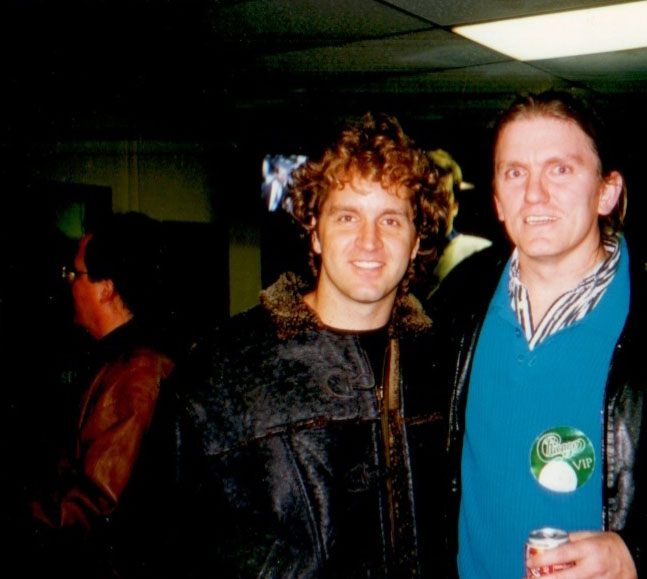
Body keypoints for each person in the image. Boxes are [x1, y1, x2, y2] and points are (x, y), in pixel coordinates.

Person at [430, 91, 647, 578]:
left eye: (560, 169)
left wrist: (639, 556)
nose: (534, 194)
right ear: (496, 199)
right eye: (515, 173)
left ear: (607, 192)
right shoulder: (457, 305)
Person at [168, 112, 453, 577]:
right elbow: (159, 545)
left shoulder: (445, 365)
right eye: (347, 217)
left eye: (391, 220)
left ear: (417, 239)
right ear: (315, 232)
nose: (370, 242)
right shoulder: (223, 372)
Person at [27, 212, 175, 577]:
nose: (69, 284)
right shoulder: (111, 361)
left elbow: (95, 504)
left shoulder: (136, 372)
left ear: (106, 288)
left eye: (75, 274)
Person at [427, 149, 492, 288]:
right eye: (427, 196)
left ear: (455, 205)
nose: (433, 208)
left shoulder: (477, 253)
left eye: (441, 197)